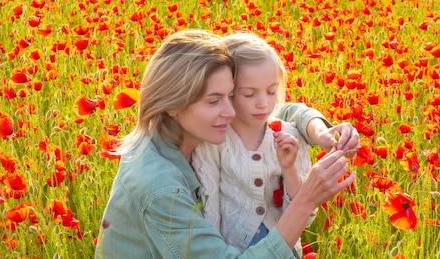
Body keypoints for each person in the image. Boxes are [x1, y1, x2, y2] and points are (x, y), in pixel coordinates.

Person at [95, 29, 357, 259]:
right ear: (173, 104)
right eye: (214, 101)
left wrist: (318, 129)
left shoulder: (175, 133)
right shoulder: (159, 187)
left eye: (230, 96)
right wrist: (305, 201)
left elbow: (274, 112)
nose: (231, 112)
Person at [192, 32, 312, 253]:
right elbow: (210, 212)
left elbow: (304, 218)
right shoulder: (213, 142)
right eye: (249, 94)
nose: (263, 103)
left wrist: (289, 170)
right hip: (232, 251)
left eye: (272, 91)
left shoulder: (290, 136)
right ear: (228, 92)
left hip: (283, 249)